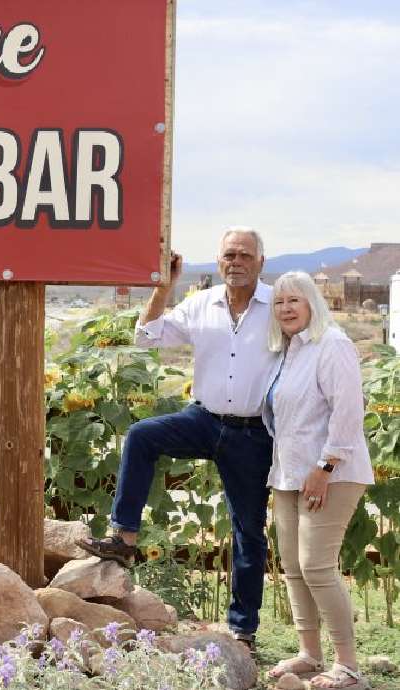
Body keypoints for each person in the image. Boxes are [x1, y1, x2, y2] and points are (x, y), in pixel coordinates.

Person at [78, 227, 279, 650]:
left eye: (245, 254)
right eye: (229, 254)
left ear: (261, 261)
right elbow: (146, 336)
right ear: (220, 260)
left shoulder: (277, 306)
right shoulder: (201, 303)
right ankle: (124, 539)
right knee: (142, 435)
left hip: (252, 433)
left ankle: (242, 628)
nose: (236, 261)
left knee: (248, 531)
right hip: (203, 418)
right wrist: (163, 288)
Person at [262, 271, 373, 690]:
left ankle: (348, 666)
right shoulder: (289, 351)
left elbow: (348, 412)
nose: (286, 308)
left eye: (295, 300)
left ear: (312, 303)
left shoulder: (333, 345)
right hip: (290, 473)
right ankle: (310, 654)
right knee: (292, 565)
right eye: (279, 302)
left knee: (317, 566)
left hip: (332, 473)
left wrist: (325, 467)